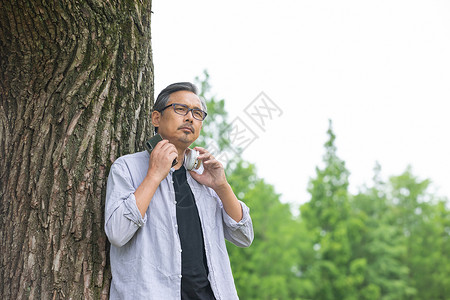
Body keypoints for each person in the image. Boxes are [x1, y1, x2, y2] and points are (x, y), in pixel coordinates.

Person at [105, 82, 254, 299]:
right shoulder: (127, 168)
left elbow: (244, 236)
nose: (190, 118)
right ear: (157, 118)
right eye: (180, 109)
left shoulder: (204, 175)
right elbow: (117, 233)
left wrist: (221, 186)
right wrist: (154, 175)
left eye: (197, 113)